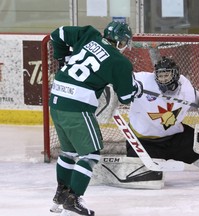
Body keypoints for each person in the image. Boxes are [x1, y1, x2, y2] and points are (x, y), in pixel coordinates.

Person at [49, 21, 143, 216]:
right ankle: (73, 200)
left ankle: (60, 195)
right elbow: (126, 98)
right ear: (120, 42)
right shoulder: (120, 62)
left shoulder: (89, 34)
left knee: (69, 152)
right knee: (90, 154)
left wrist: (63, 58)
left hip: (57, 98)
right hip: (77, 105)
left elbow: (56, 34)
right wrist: (136, 88)